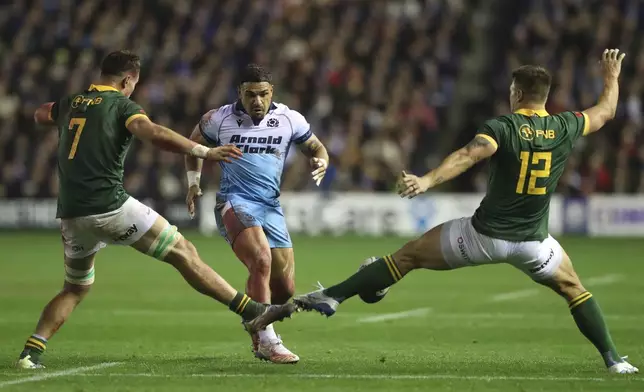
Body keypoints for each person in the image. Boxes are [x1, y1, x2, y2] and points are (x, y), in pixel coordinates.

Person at [294, 49, 638, 374]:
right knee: (575, 290)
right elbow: (606, 111)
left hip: (482, 237)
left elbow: (468, 155)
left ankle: (333, 295)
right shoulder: (565, 125)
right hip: (535, 244)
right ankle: (613, 360)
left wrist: (427, 181)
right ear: (545, 95)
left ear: (516, 93)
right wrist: (611, 76)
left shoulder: (502, 128)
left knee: (408, 257)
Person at [17, 51, 296, 369]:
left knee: (75, 288)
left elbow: (41, 113)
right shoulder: (123, 106)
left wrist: (61, 114)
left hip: (71, 215)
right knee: (184, 252)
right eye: (133, 84)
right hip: (110, 206)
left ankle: (30, 352)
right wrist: (204, 150)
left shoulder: (73, 102)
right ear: (127, 80)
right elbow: (153, 133)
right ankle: (252, 310)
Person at [185, 64, 329, 364]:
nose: (257, 101)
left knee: (285, 288)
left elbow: (316, 147)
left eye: (263, 94)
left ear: (271, 92)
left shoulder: (290, 119)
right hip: (234, 201)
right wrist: (193, 182)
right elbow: (192, 144)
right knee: (261, 260)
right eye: (250, 94)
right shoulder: (219, 118)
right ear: (240, 92)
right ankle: (267, 340)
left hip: (270, 206)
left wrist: (321, 161)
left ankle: (256, 320)